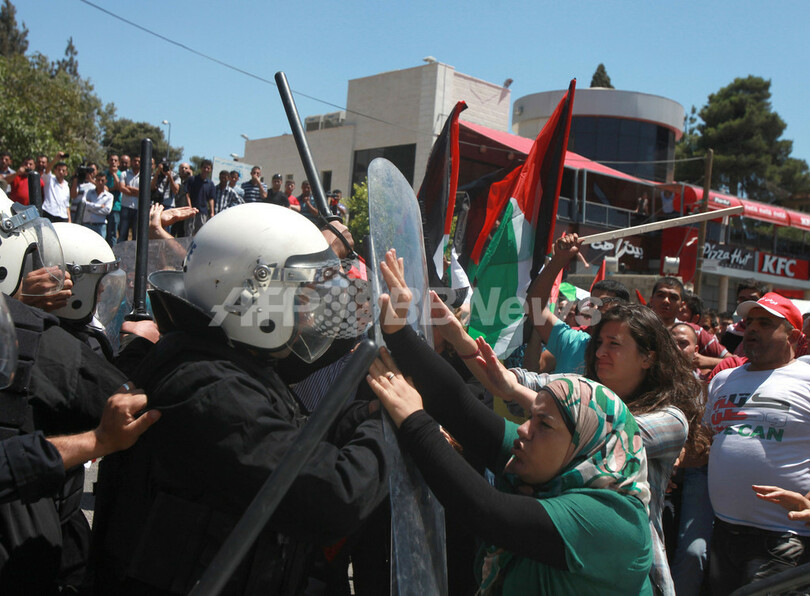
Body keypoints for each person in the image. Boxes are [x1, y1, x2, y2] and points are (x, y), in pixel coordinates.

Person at [91, 203, 390, 595]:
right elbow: (333, 499)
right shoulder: (209, 388)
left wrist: (359, 417)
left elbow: (285, 437)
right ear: (254, 296)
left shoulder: (220, 359)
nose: (310, 314)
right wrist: (387, 426)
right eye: (301, 297)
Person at [367, 250, 653, 594]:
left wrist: (415, 420)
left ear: (585, 444)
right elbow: (462, 410)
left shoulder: (612, 521)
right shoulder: (553, 464)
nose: (523, 429)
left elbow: (485, 511)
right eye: (532, 417)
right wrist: (398, 332)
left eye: (543, 424)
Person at [437, 293, 701, 595]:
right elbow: (503, 378)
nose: (600, 352)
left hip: (624, 574)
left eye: (614, 344)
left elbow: (598, 428)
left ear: (648, 357)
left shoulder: (671, 419)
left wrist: (519, 393)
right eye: (599, 342)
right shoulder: (577, 389)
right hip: (551, 545)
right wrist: (457, 337)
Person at [703, 292, 810, 595]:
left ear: (794, 336)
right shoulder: (723, 380)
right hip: (724, 531)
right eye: (749, 322)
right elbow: (705, 440)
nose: (751, 328)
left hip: (784, 538)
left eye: (765, 323)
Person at [77, 171, 114, 237]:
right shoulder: (88, 192)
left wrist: (90, 208)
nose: (100, 182)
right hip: (88, 225)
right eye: (98, 180)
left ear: (106, 181)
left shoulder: (109, 196)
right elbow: (84, 204)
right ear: (95, 181)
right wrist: (99, 206)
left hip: (100, 226)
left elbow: (107, 210)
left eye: (102, 180)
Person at [184, 158, 215, 233]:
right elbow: (187, 194)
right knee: (188, 233)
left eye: (208, 168)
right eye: (204, 167)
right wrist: (190, 207)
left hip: (203, 213)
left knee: (200, 234)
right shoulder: (192, 179)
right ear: (201, 168)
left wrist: (212, 212)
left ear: (210, 170)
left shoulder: (210, 184)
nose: (206, 169)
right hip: (191, 212)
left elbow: (211, 199)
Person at [41, 152, 72, 223]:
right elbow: (46, 171)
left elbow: (67, 205)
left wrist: (69, 220)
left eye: (63, 170)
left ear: (66, 173)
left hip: (63, 216)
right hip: (49, 213)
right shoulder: (49, 180)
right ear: (55, 171)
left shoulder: (66, 186)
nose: (61, 172)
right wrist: (55, 159)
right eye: (59, 170)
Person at [119, 155, 141, 241]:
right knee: (123, 233)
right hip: (126, 206)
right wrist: (137, 193)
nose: (136, 163)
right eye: (135, 161)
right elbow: (122, 188)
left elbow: (144, 192)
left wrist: (129, 187)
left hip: (137, 208)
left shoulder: (144, 176)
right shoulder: (124, 174)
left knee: (136, 235)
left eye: (139, 161)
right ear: (131, 162)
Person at [104, 154, 123, 247]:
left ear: (118, 163)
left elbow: (119, 187)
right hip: (104, 207)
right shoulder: (105, 174)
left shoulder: (121, 175)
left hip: (115, 207)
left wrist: (114, 174)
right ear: (108, 161)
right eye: (111, 160)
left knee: (113, 233)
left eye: (115, 160)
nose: (113, 162)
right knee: (105, 232)